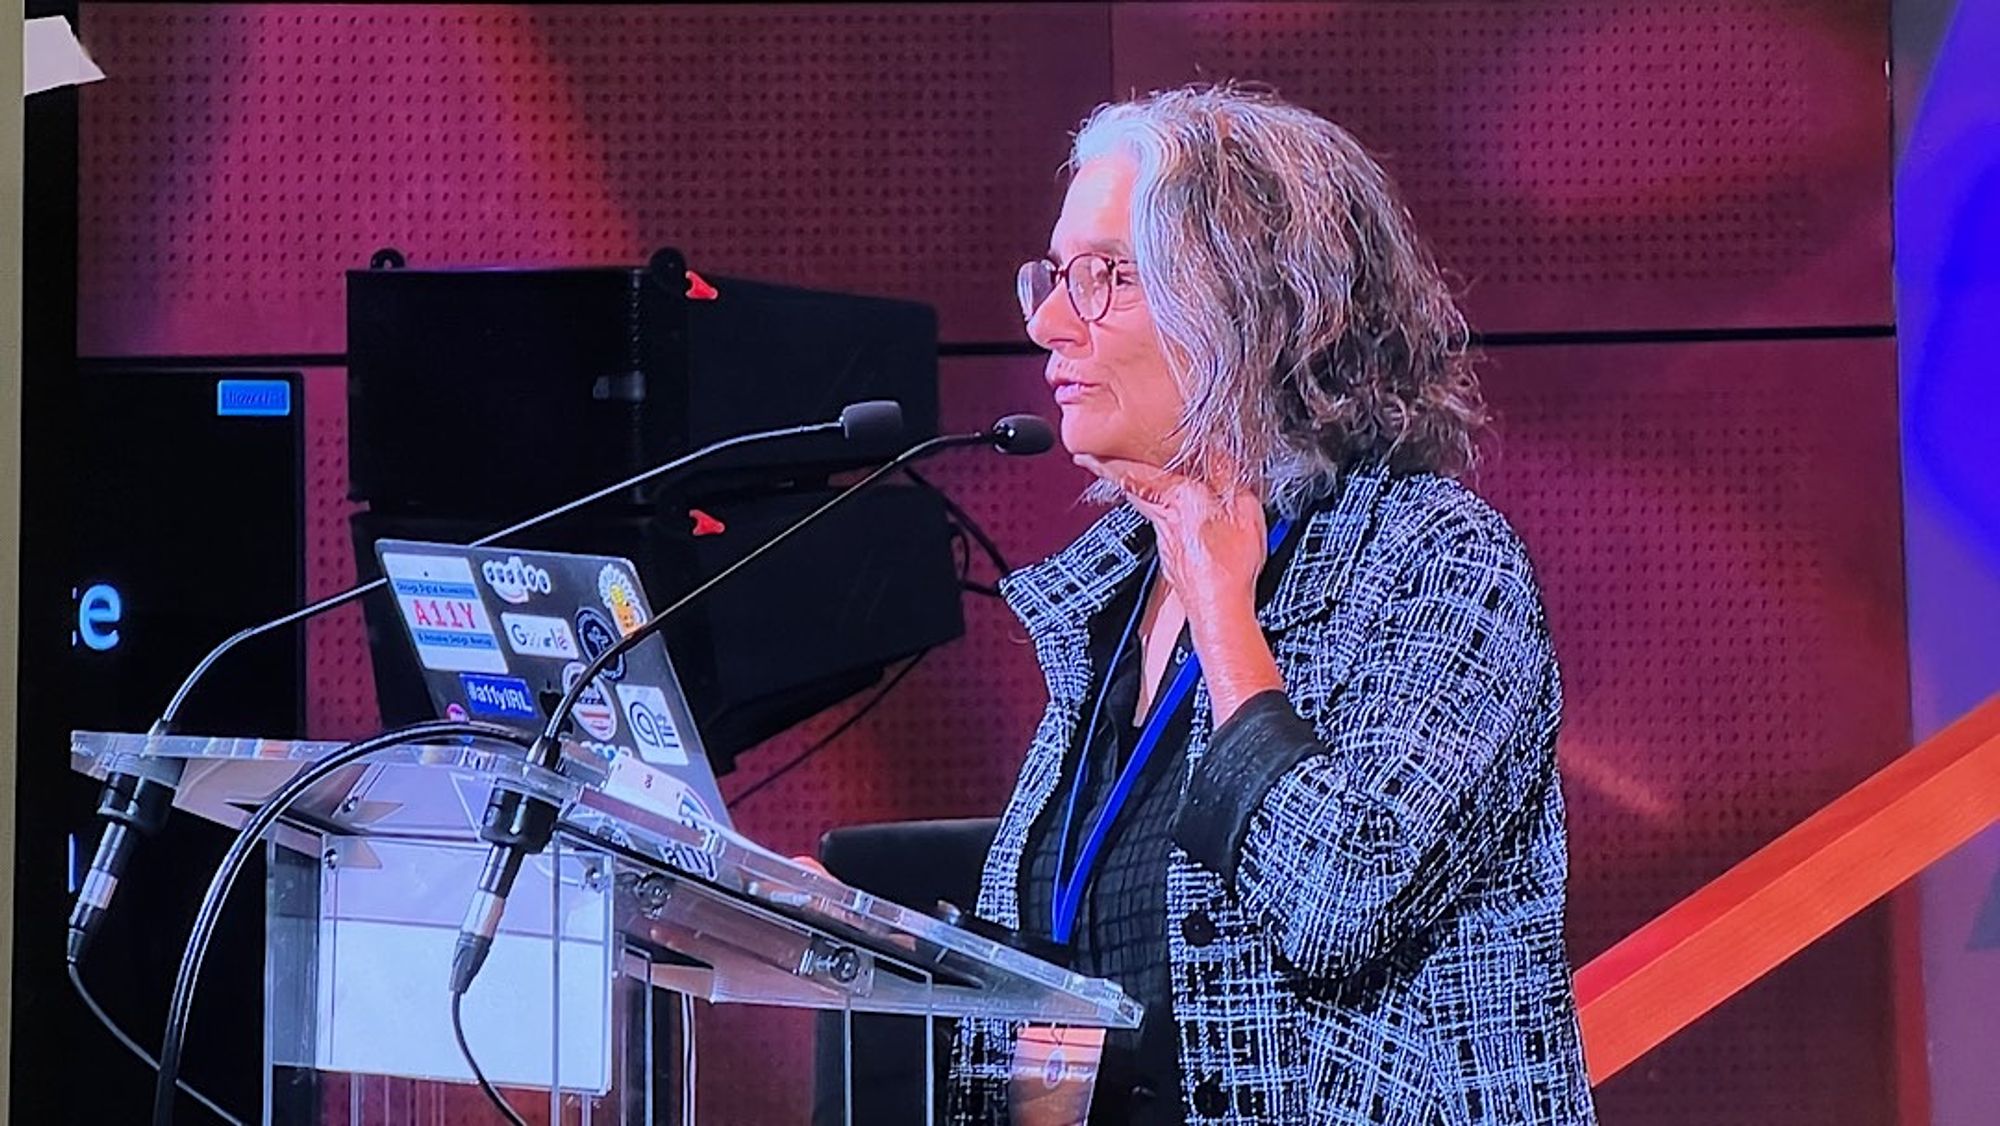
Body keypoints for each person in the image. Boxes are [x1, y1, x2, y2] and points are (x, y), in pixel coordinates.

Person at [944, 84, 1596, 1125]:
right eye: (1055, 276)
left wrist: (1223, 614)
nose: (1047, 322)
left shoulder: (1436, 562)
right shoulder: (1105, 599)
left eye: (1106, 277)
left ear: (1255, 307)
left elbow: (1341, 896)